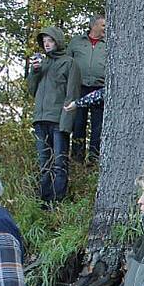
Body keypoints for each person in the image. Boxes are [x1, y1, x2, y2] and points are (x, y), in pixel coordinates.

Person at [28, 26, 81, 205]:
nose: (47, 44)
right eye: (44, 42)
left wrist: (66, 123)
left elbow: (72, 95)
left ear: (57, 41)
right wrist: (34, 71)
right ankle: (44, 201)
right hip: (40, 120)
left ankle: (58, 201)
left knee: (59, 163)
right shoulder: (41, 64)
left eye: (50, 41)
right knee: (44, 163)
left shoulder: (69, 63)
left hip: (59, 120)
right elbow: (31, 90)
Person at [67, 13, 106, 163]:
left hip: (100, 88)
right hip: (79, 87)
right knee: (78, 124)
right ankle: (77, 159)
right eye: (103, 25)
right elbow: (67, 63)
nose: (105, 28)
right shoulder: (76, 42)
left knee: (98, 126)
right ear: (93, 25)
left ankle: (94, 160)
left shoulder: (109, 43)